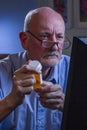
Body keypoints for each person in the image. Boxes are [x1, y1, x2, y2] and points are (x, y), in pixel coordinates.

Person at [0, 7, 70, 130]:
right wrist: (11, 101)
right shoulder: (2, 71)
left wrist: (68, 106)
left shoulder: (76, 69)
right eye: (45, 36)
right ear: (24, 40)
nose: (54, 47)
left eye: (59, 37)